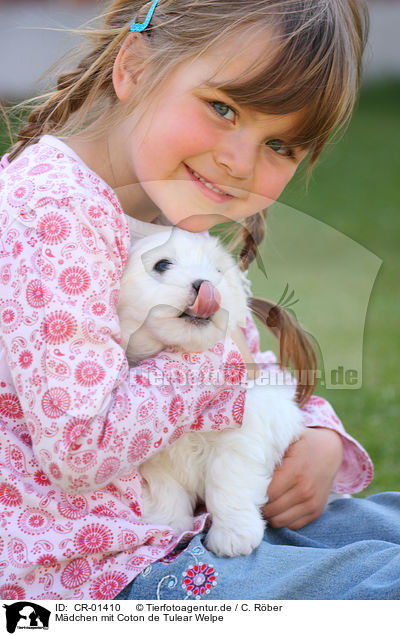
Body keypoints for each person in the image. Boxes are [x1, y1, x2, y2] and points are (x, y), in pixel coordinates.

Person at [0, 0, 398, 601]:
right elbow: (80, 448)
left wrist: (314, 435)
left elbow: (248, 363)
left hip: (195, 528)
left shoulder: (166, 208)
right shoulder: (53, 214)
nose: (240, 163)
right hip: (94, 575)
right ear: (133, 65)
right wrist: (214, 359)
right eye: (223, 108)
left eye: (281, 146)